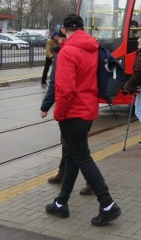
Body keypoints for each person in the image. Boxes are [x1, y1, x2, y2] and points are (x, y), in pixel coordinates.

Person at [45, 14, 121, 227]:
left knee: (83, 158)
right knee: (72, 157)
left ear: (64, 30)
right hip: (88, 109)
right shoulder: (94, 48)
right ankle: (61, 203)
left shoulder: (67, 52)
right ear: (81, 28)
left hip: (72, 113)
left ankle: (107, 204)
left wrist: (58, 114)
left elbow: (65, 90)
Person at [39, 31, 93, 195]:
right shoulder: (89, 51)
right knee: (70, 148)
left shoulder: (64, 54)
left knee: (78, 152)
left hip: (72, 111)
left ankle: (100, 193)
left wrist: (47, 108)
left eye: (60, 38)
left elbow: (57, 86)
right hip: (87, 108)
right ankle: (63, 188)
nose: (59, 41)